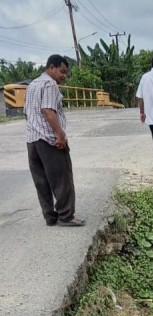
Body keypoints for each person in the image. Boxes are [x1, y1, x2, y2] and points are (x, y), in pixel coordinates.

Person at [25, 54, 84, 227]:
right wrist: (60, 134)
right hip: (50, 140)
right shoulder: (50, 84)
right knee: (62, 179)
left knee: (41, 181)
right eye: (62, 71)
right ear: (52, 67)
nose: (64, 76)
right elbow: (48, 110)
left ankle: (50, 217)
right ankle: (66, 216)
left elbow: (27, 112)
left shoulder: (33, 84)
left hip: (32, 140)